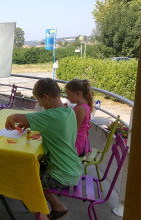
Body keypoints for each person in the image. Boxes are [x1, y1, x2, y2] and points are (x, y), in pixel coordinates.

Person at [5, 78, 83, 220]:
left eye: (39, 100)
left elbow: (14, 116)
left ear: (46, 97)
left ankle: (42, 218)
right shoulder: (69, 111)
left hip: (61, 174)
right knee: (35, 170)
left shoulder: (49, 115)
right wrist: (29, 124)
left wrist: (10, 118)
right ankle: (58, 208)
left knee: (21, 183)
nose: (39, 104)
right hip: (73, 168)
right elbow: (52, 127)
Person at [65, 79, 93, 157]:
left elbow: (74, 129)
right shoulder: (82, 106)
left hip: (78, 145)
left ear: (78, 94)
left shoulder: (80, 108)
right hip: (81, 142)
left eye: (69, 95)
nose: (67, 97)